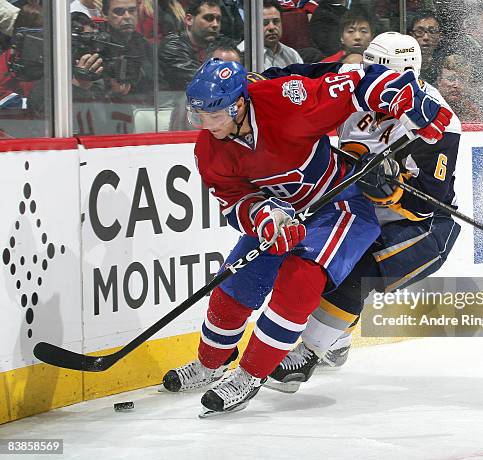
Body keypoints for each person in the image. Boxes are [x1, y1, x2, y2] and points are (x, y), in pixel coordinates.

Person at [161, 57, 452, 416]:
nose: (205, 125)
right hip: (281, 211)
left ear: (238, 105)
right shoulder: (208, 149)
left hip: (339, 206)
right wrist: (264, 218)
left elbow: (355, 82)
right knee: (234, 284)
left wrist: (403, 97)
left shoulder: (286, 101)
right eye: (199, 116)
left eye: (214, 116)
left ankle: (249, 376)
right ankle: (209, 364)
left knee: (300, 282)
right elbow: (234, 199)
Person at [262, 31, 462, 392]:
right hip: (361, 213)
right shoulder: (363, 81)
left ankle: (307, 355)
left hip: (422, 228)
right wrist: (262, 83)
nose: (365, 75)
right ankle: (336, 340)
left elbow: (431, 201)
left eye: (376, 70)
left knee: (356, 277)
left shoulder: (438, 121)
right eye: (366, 65)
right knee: (312, 265)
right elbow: (301, 78)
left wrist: (392, 190)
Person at [158, 0, 223, 90]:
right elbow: (204, 80)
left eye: (218, 19)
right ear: (189, 20)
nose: (215, 24)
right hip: (173, 102)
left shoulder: (219, 43)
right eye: (208, 18)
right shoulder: (172, 46)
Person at [408, 10, 446, 84]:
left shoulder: (445, 64)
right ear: (411, 35)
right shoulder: (403, 63)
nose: (426, 37)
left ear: (440, 36)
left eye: (432, 31)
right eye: (419, 32)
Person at [263, 0, 303, 69]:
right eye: (265, 23)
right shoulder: (243, 56)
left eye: (276, 21)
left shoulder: (293, 55)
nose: (271, 27)